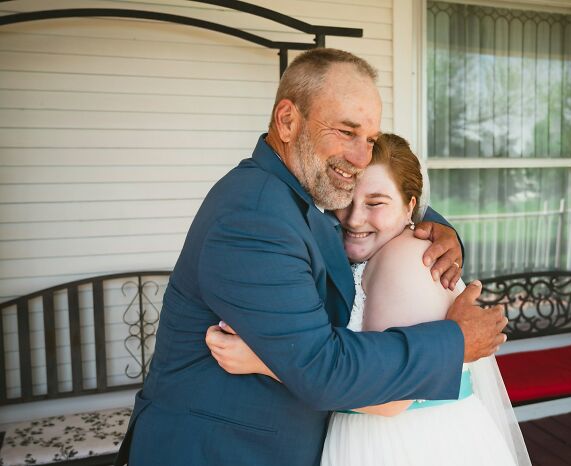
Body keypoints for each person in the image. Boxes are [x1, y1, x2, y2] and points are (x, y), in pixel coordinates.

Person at [116, 48, 508, 466]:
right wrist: (455, 343)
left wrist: (442, 229)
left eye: (370, 140)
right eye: (345, 131)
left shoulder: (305, 190)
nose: (360, 159)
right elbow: (322, 369)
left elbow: (386, 206)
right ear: (288, 121)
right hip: (221, 451)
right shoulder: (255, 215)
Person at [209, 134, 531, 465]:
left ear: (410, 207)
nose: (354, 219)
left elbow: (391, 397)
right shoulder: (368, 254)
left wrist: (264, 360)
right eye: (346, 200)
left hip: (405, 445)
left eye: (375, 203)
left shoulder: (404, 262)